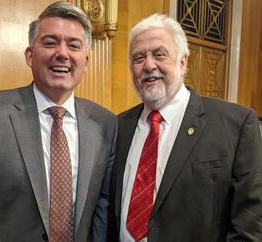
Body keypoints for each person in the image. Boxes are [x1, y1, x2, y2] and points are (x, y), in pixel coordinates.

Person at [0, 2, 117, 242]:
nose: (62, 53)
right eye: (50, 42)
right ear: (30, 55)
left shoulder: (105, 124)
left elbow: (101, 214)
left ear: (86, 62)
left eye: (73, 45)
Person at [108, 13, 262, 242]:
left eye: (159, 54)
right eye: (139, 58)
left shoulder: (236, 125)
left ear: (183, 61)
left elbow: (250, 224)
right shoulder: (117, 126)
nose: (149, 65)